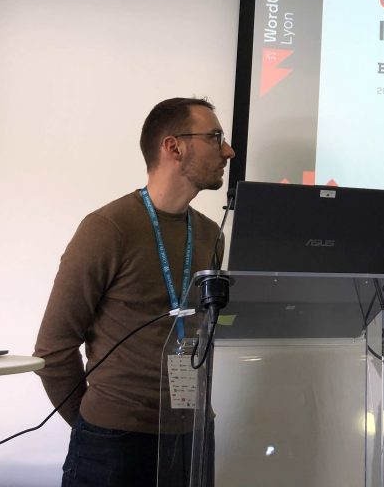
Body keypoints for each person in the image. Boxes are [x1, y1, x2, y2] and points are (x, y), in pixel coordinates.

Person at [34, 97, 235, 487]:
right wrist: (91, 424)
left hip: (192, 434)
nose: (228, 151)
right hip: (114, 443)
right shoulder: (107, 228)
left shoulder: (211, 235)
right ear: (174, 147)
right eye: (215, 137)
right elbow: (53, 348)